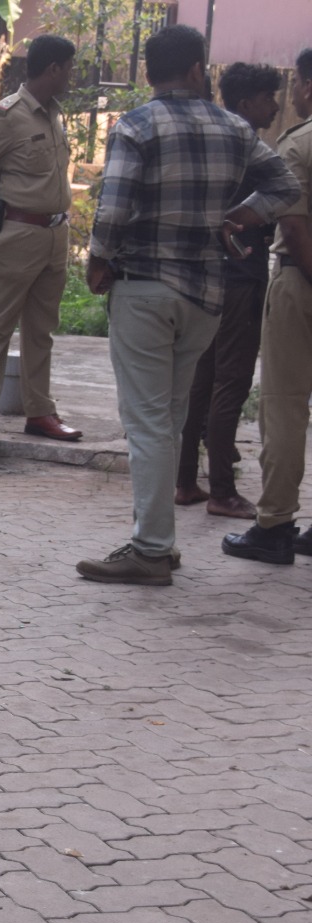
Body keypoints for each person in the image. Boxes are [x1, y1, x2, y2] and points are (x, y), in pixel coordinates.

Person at [78, 24, 302, 586]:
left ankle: (151, 548)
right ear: (199, 70)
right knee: (171, 417)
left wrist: (97, 260)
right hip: (206, 291)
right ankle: (158, 542)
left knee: (149, 419)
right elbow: (286, 185)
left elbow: (113, 208)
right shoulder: (234, 127)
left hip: (145, 289)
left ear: (150, 72)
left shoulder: (136, 126)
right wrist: (242, 215)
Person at [0, 35, 84, 444]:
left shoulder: (54, 114)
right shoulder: (8, 115)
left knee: (41, 329)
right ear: (53, 69)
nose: (71, 75)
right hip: (19, 233)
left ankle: (40, 412)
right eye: (69, 68)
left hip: (54, 234)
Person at [175, 63, 284, 519]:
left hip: (205, 274)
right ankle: (222, 489)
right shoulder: (249, 147)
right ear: (245, 104)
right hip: (240, 275)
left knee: (200, 380)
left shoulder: (207, 138)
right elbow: (285, 193)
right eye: (266, 98)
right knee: (231, 383)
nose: (275, 105)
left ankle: (185, 480)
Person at [223, 49, 312, 565]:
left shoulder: (298, 145)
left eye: (297, 82)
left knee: (283, 405)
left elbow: (295, 227)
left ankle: (275, 523)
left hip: (302, 285)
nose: (291, 94)